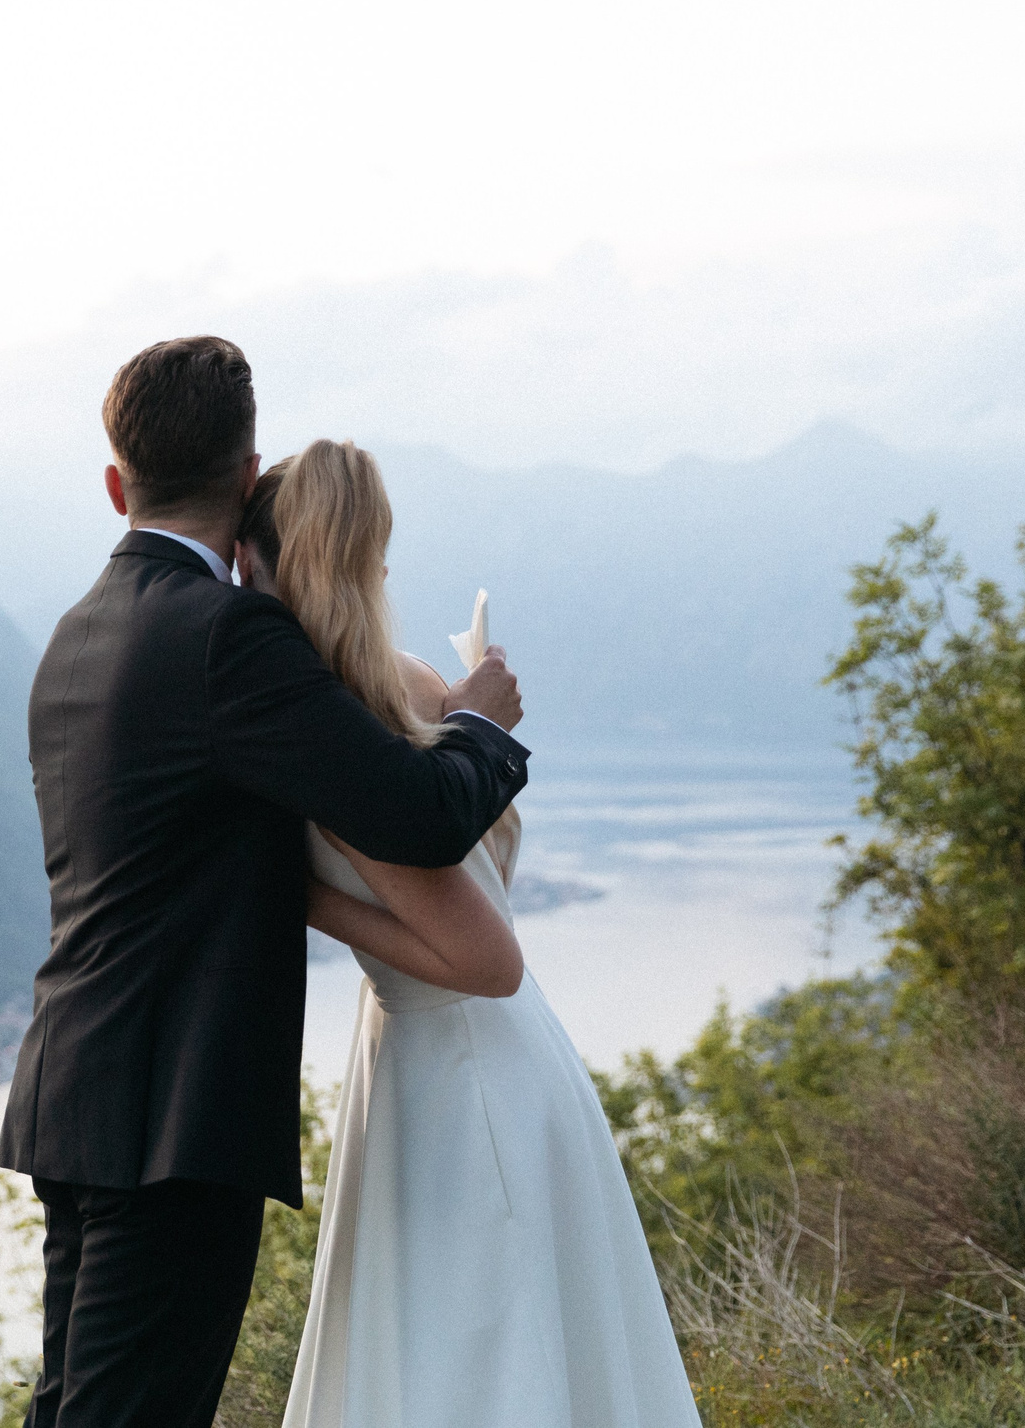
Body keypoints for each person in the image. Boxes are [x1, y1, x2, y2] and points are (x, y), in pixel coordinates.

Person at [0, 337, 529, 1428]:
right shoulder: (227, 636)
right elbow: (415, 817)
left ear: (115, 485)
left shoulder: (75, 632)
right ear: (246, 478)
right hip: (177, 1115)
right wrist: (479, 720)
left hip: (76, 1091)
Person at [246, 441, 701, 1428]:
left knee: (478, 1364)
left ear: (260, 560)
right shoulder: (401, 683)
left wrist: (298, 896)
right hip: (473, 1057)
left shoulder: (331, 722)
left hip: (459, 1069)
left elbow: (484, 959)